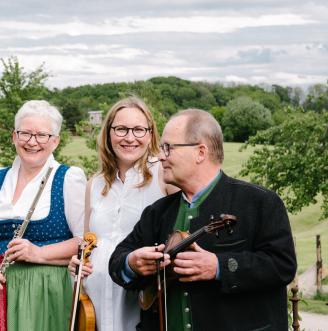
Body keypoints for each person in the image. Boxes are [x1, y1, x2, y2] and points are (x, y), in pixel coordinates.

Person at [109, 109, 297, 330]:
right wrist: (132, 262)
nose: (160, 156)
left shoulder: (260, 202)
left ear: (200, 152)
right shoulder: (157, 212)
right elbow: (117, 261)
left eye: (168, 147)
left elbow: (282, 265)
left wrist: (219, 266)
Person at [68, 97, 177, 331]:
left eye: (139, 129)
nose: (130, 137)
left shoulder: (165, 175)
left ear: (150, 134)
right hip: (94, 302)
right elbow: (88, 242)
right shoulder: (94, 184)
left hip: (143, 298)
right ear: (108, 133)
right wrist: (77, 262)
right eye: (121, 129)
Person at [0, 100, 86, 331]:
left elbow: (83, 241)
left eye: (42, 135)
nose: (32, 142)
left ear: (55, 141)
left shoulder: (69, 177)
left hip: (47, 290)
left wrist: (38, 252)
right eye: (25, 133)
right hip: (0, 289)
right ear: (14, 136)